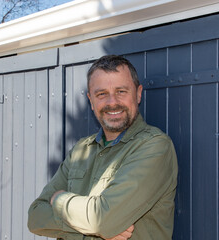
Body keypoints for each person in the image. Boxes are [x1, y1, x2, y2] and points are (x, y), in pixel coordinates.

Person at [28, 55, 178, 240]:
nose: (112, 102)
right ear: (91, 100)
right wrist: (94, 228)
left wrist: (58, 199)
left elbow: (103, 220)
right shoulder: (81, 150)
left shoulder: (154, 146)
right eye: (101, 94)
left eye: (121, 91)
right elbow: (35, 217)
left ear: (138, 94)